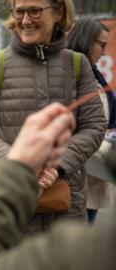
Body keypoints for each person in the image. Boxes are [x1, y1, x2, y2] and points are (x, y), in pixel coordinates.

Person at [0, 0, 106, 232]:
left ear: (59, 12)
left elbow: (94, 126)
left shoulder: (78, 65)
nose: (26, 20)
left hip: (66, 213)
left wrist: (56, 166)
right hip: (11, 211)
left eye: (34, 11)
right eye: (20, 11)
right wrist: (23, 164)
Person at [0, 103, 115, 270]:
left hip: (49, 205)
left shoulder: (84, 253)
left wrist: (26, 166)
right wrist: (17, 163)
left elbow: (94, 126)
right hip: (14, 216)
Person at [67, 19, 114, 224]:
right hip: (77, 177)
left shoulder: (92, 74)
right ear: (86, 41)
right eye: (101, 45)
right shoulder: (69, 76)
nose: (104, 52)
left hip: (94, 174)